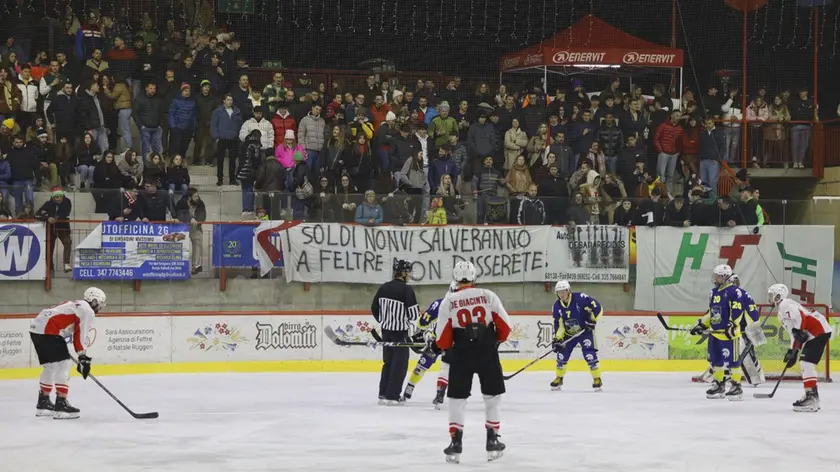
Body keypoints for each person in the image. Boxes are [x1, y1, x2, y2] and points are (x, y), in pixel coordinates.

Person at [434, 260, 511, 464]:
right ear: (474, 277)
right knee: (492, 397)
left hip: (461, 354)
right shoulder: (488, 295)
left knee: (457, 399)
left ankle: (455, 443)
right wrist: (495, 340)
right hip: (486, 351)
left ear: (455, 278)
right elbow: (505, 327)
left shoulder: (448, 301)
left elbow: (442, 339)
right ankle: (492, 439)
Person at [28, 287, 107, 419]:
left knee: (51, 366)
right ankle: (61, 404)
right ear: (94, 301)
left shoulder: (77, 305)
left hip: (36, 328)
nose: (99, 308)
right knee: (64, 364)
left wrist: (81, 355)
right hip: (49, 330)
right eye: (99, 304)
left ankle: (43, 403)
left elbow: (74, 331)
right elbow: (81, 333)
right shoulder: (87, 311)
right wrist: (82, 356)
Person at [768, 283, 833, 412]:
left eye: (772, 295)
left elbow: (800, 317)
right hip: (814, 332)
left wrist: (799, 330)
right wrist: (793, 350)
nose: (769, 298)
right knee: (805, 364)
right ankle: (812, 396)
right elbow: (794, 333)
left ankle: (812, 398)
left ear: (779, 295)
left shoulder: (785, 303)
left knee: (806, 364)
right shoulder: (781, 312)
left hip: (818, 330)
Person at [689, 264, 746, 400]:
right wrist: (701, 324)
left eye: (718, 276)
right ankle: (719, 385)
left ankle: (736, 386)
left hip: (730, 334)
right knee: (716, 361)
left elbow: (737, 311)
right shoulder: (714, 292)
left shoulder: (734, 292)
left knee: (734, 362)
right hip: (715, 333)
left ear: (725, 277)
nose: (715, 278)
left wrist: (731, 325)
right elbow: (711, 313)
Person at [371, 259, 420, 406]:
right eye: (409, 272)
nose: (410, 275)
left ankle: (383, 394)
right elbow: (414, 314)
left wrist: (385, 321)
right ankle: (392, 396)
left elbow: (374, 308)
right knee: (399, 364)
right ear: (404, 273)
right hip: (400, 333)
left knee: (388, 362)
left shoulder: (383, 288)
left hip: (386, 332)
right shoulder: (406, 290)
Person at [401, 281, 457, 407]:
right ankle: (440, 394)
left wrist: (420, 333)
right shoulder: (465, 305)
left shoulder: (439, 304)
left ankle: (407, 391)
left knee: (422, 366)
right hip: (454, 343)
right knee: (447, 367)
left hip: (436, 341)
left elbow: (422, 322)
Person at [550, 280, 604, 392]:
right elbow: (559, 324)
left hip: (585, 332)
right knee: (561, 356)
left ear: (568, 290)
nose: (562, 294)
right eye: (559, 292)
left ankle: (597, 378)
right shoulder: (556, 306)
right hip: (569, 334)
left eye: (564, 291)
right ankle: (559, 378)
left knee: (589, 355)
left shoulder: (580, 298)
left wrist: (592, 321)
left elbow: (598, 307)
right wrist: (557, 339)